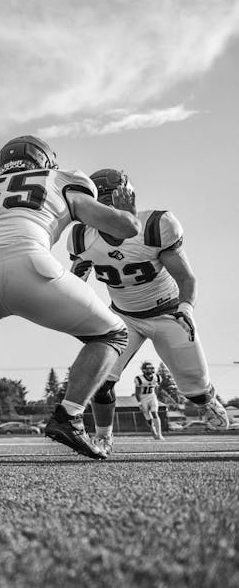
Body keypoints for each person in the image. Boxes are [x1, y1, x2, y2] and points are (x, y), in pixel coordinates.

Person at [0, 136, 141, 463]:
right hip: (26, 261)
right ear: (44, 160)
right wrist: (127, 213)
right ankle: (68, 416)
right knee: (113, 333)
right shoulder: (62, 177)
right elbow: (119, 228)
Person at [68, 169, 230, 454]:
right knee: (102, 380)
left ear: (126, 199)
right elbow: (75, 282)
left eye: (111, 202)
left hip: (168, 313)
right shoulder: (82, 237)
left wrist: (186, 309)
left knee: (196, 392)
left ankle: (208, 400)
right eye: (99, 204)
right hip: (123, 317)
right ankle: (103, 437)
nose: (104, 211)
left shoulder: (155, 226)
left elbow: (186, 279)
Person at [133, 362, 164, 440]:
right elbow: (137, 392)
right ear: (144, 370)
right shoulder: (139, 379)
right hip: (143, 398)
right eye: (148, 368)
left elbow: (156, 388)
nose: (151, 370)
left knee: (154, 413)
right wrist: (139, 403)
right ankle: (153, 431)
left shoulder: (157, 377)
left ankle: (159, 434)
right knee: (148, 417)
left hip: (152, 396)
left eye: (151, 368)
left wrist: (156, 397)